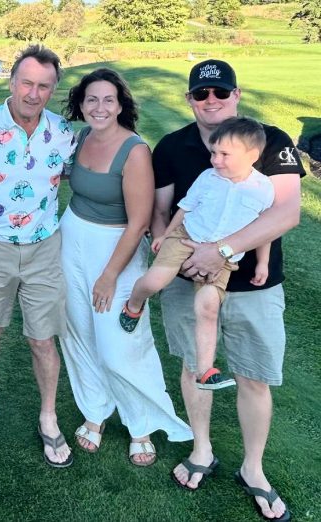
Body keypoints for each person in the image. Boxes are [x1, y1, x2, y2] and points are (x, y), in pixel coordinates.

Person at [154, 59, 304, 522]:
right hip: (187, 279)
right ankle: (202, 449)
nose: (211, 101)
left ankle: (253, 469)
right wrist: (173, 253)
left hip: (253, 284)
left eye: (221, 93)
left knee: (254, 376)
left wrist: (220, 251)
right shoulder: (173, 146)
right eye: (202, 94)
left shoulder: (271, 141)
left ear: (236, 95)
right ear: (190, 100)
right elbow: (161, 214)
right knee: (193, 364)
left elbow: (285, 214)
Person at [0, 45, 77, 468]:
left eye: (44, 86)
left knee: (43, 338)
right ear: (12, 82)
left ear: (53, 89)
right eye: (27, 82)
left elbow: (85, 177)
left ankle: (48, 416)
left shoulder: (62, 132)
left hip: (43, 247)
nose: (33, 93)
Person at [58, 68, 192, 467]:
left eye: (108, 100)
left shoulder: (134, 150)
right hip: (72, 240)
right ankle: (94, 412)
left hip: (116, 249)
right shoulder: (81, 138)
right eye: (92, 100)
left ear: (121, 105)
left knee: (121, 343)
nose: (99, 108)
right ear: (81, 105)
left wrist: (110, 274)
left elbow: (137, 221)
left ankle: (141, 424)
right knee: (78, 332)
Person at [121, 117, 274, 391]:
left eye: (224, 154)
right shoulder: (208, 178)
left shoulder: (264, 190)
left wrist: (262, 263)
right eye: (214, 153)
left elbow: (264, 229)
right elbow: (185, 208)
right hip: (185, 237)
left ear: (252, 155)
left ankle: (205, 370)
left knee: (208, 306)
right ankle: (133, 304)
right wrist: (165, 235)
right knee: (155, 282)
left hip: (225, 257)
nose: (215, 160)